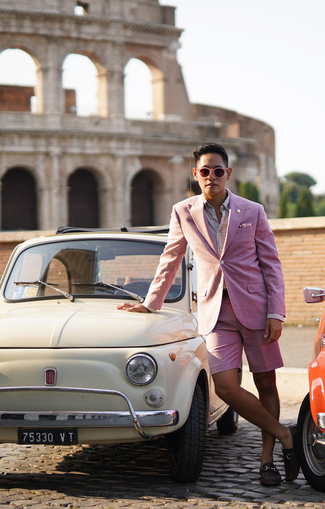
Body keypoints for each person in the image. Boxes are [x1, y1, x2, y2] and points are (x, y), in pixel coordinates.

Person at [117, 142, 298, 486]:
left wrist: (277, 311)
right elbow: (170, 259)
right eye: (205, 171)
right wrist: (150, 303)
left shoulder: (253, 211)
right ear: (195, 174)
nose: (211, 176)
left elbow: (271, 265)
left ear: (228, 174)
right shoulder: (183, 211)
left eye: (218, 171)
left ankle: (267, 459)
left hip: (258, 312)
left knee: (265, 383)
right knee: (226, 387)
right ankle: (286, 435)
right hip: (215, 313)